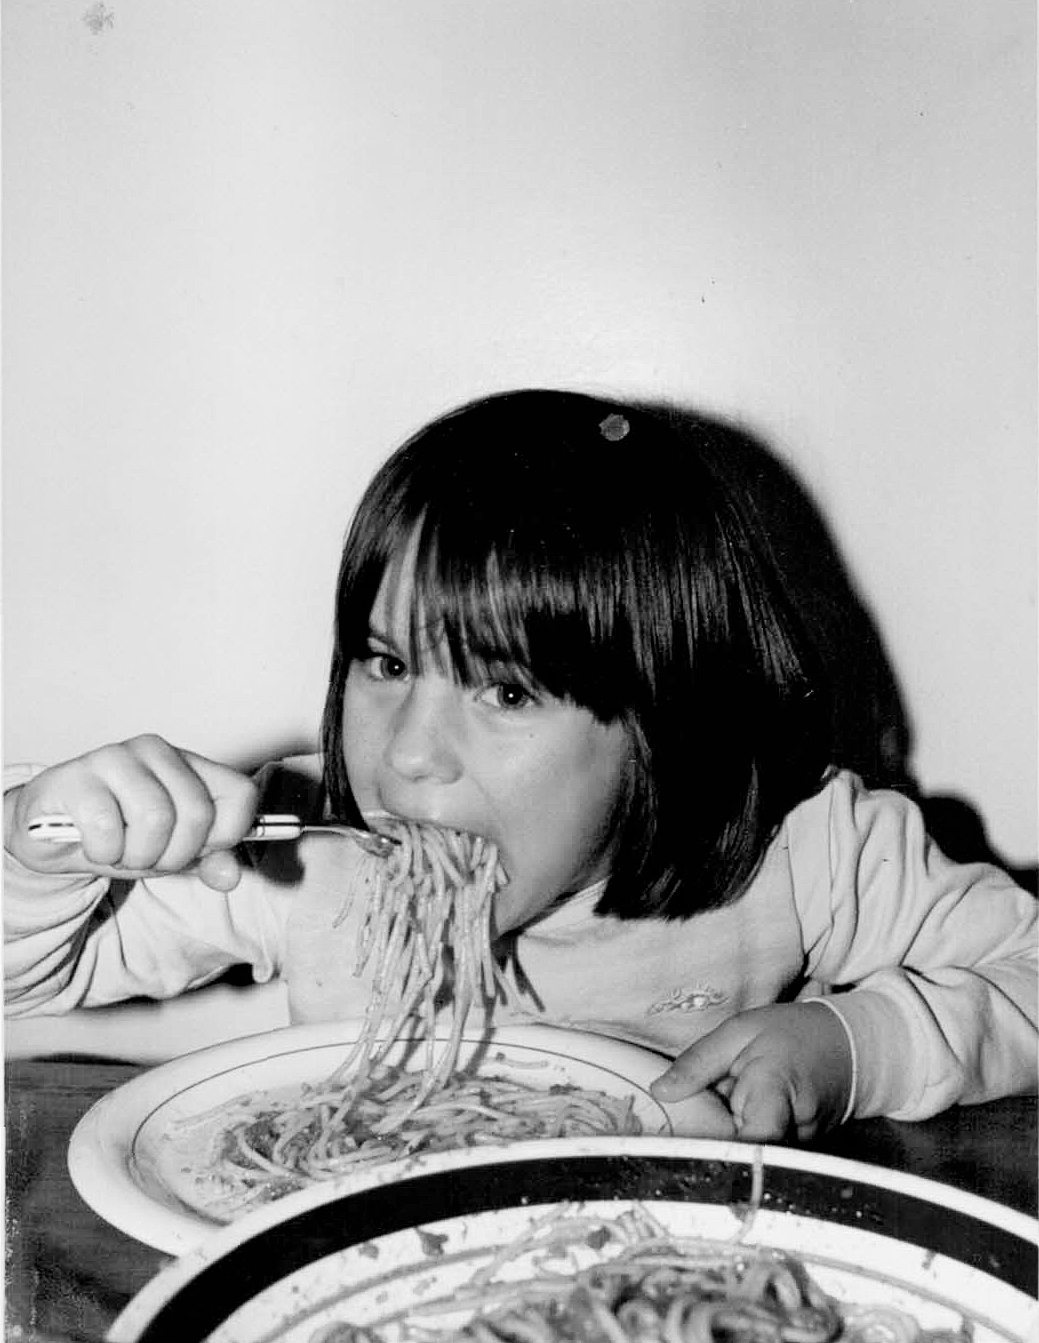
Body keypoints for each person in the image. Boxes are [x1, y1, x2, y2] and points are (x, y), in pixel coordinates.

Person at [4, 390, 1036, 1143]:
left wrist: (855, 1046)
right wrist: (35, 852)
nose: (407, 753)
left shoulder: (808, 847)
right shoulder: (299, 857)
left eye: (503, 691)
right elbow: (33, 974)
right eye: (386, 662)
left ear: (665, 722)